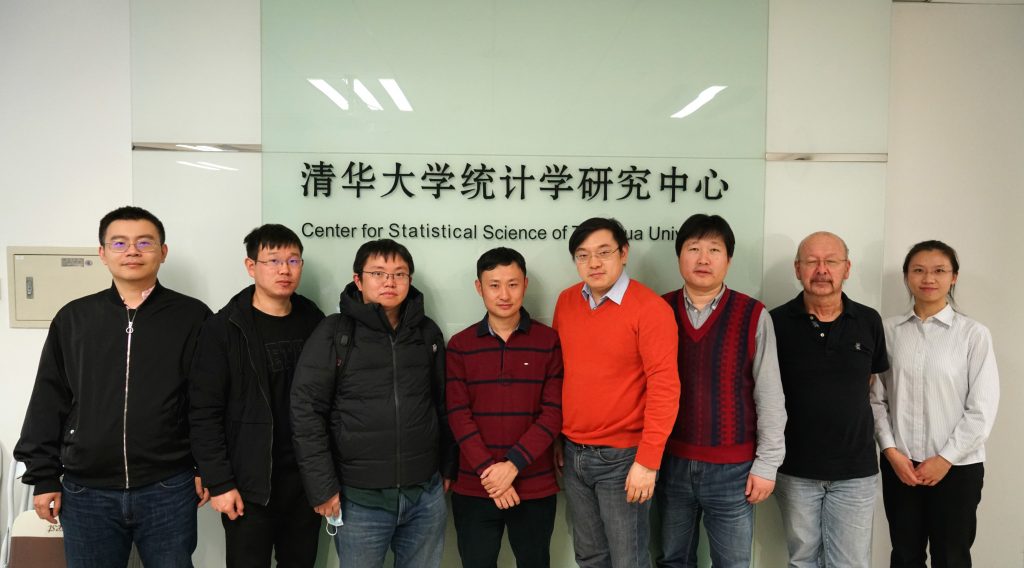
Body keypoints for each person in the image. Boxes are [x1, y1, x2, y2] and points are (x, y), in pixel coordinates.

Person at [14, 206, 211, 568]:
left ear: (163, 252)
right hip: (86, 491)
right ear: (102, 253)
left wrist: (206, 468)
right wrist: (43, 477)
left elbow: (206, 401)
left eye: (144, 242)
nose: (132, 251)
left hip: (168, 486)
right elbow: (48, 399)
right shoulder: (74, 318)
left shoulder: (193, 317)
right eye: (119, 243)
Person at [290, 238, 457, 568]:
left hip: (424, 495)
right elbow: (306, 411)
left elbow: (443, 403)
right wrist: (322, 487)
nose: (389, 282)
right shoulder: (335, 332)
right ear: (358, 280)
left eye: (399, 274)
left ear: (409, 279)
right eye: (378, 273)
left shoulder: (426, 333)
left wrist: (448, 465)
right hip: (359, 501)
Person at [189, 224, 325, 567]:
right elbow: (204, 411)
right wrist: (220, 482)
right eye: (273, 260)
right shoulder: (224, 328)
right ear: (251, 266)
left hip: (304, 482)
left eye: (293, 260)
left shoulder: (314, 321)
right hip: (249, 484)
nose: (284, 270)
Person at [657, 214, 786, 568]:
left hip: (734, 470)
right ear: (679, 256)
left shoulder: (753, 314)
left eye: (714, 250)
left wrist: (768, 464)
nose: (703, 259)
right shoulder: (658, 311)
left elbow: (770, 395)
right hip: (670, 462)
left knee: (732, 563)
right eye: (693, 249)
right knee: (673, 559)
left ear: (728, 259)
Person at [552, 217, 680, 568]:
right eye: (583, 255)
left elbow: (665, 387)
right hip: (574, 454)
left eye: (604, 252)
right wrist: (556, 439)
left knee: (628, 560)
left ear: (624, 253)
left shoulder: (650, 308)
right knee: (589, 557)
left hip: (624, 459)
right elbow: (560, 374)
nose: (593, 263)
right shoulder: (566, 301)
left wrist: (648, 461)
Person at [870, 240, 999, 568]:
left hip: (957, 469)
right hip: (901, 467)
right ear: (907, 276)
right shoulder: (887, 331)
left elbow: (981, 409)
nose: (928, 278)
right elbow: (876, 399)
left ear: (953, 277)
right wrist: (891, 452)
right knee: (905, 556)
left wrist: (945, 459)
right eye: (919, 270)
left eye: (939, 270)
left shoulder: (973, 334)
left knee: (951, 558)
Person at [770, 231, 888, 568]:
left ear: (846, 268)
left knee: (850, 563)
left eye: (831, 261)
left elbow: (871, 384)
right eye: (812, 261)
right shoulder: (774, 322)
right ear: (798, 269)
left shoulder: (869, 320)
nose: (821, 270)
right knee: (802, 560)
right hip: (795, 469)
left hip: (855, 471)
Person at [446, 247, 563, 568]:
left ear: (525, 284)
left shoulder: (549, 341)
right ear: (479, 287)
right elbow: (458, 414)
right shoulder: (460, 345)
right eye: (494, 285)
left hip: (534, 484)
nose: (504, 294)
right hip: (475, 486)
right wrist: (490, 473)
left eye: (512, 284)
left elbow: (553, 412)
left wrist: (512, 466)